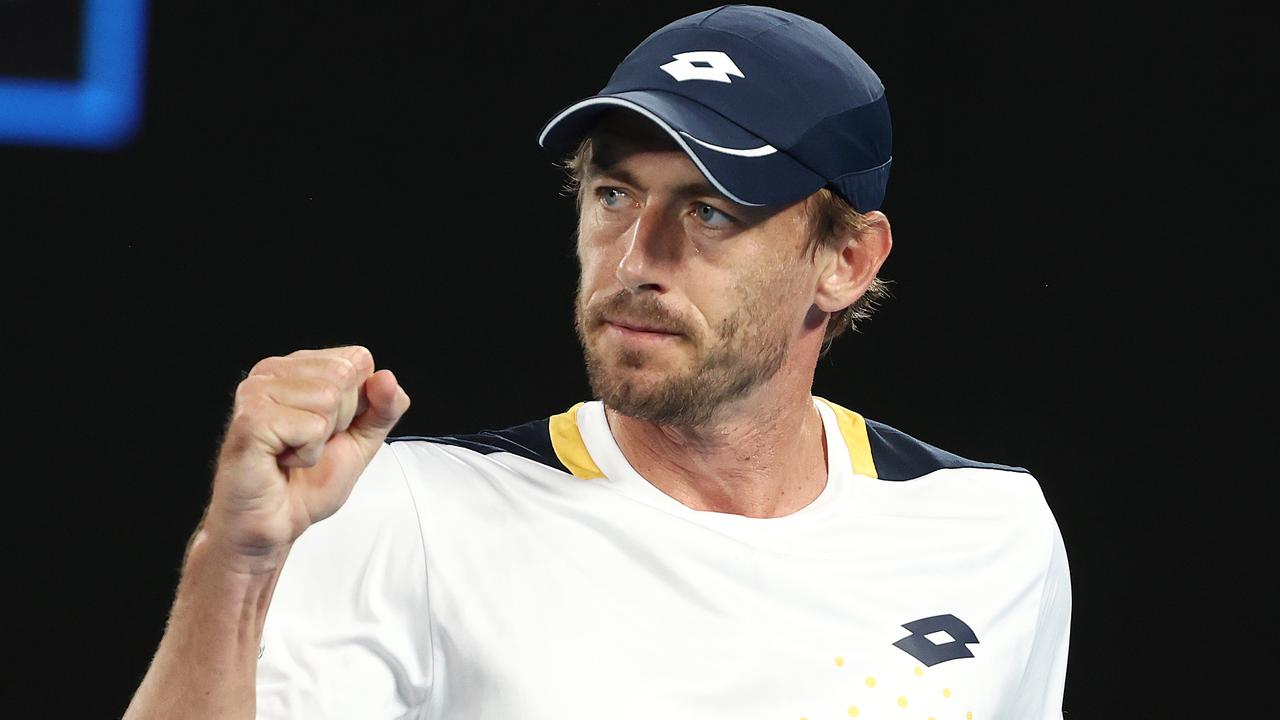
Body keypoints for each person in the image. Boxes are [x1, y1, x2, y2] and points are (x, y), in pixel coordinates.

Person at [125, 5, 1070, 719]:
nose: (634, 260)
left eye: (711, 212)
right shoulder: (410, 513)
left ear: (846, 262)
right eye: (614, 194)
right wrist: (236, 563)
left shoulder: (992, 531)